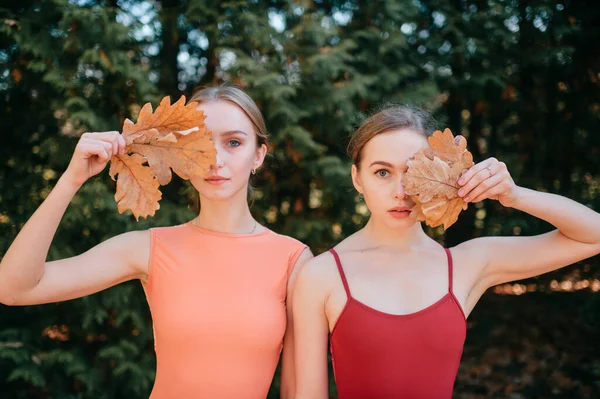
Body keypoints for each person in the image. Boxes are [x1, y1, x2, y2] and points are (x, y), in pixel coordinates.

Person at [0, 85, 311, 399]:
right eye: (200, 141)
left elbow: (298, 390)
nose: (215, 158)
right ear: (179, 151)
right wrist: (72, 178)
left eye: (233, 142)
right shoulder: (150, 248)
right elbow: (14, 288)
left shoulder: (293, 259)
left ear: (258, 154)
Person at [292, 106, 600, 399]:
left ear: (436, 175)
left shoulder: (466, 264)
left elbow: (593, 235)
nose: (401, 190)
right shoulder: (322, 274)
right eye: (382, 173)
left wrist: (514, 195)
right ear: (357, 178)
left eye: (414, 170)